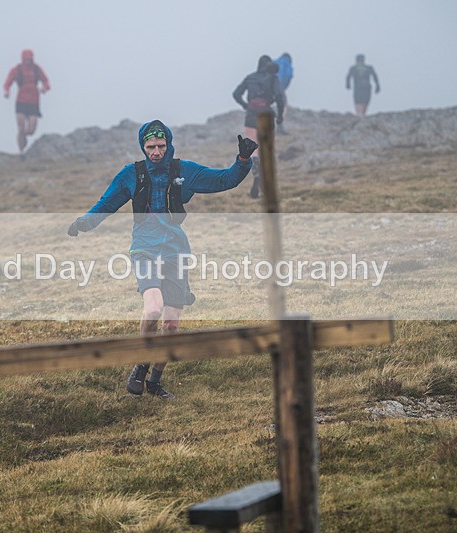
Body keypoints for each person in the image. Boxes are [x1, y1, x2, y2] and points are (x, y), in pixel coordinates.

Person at [67, 120, 258, 400]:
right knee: (153, 309)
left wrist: (242, 160)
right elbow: (106, 204)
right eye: (150, 147)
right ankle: (141, 365)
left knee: (171, 325)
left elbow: (223, 180)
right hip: (144, 249)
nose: (156, 152)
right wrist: (83, 223)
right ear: (142, 147)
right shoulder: (131, 175)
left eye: (160, 146)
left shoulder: (184, 171)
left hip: (176, 252)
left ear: (168, 144)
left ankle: (154, 381)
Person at [233, 55, 285, 199]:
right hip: (266, 114)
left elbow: (236, 94)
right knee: (266, 148)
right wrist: (280, 116)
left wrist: (245, 105)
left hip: (251, 114)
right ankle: (264, 185)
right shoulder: (273, 78)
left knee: (253, 146)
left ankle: (256, 167)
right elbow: (280, 96)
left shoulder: (250, 77)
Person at [3, 49, 50, 159]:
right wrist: (6, 92)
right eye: (26, 60)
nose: (28, 62)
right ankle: (21, 152)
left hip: (34, 102)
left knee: (31, 131)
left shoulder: (37, 69)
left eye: (30, 60)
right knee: (21, 128)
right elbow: (7, 83)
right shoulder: (16, 70)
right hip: (21, 101)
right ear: (22, 59)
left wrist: (45, 88)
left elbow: (46, 81)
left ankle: (24, 141)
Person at [273, 53, 294, 134]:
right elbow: (288, 77)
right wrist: (283, 88)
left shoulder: (274, 61)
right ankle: (279, 126)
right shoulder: (288, 66)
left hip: (269, 87)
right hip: (280, 88)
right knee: (283, 106)